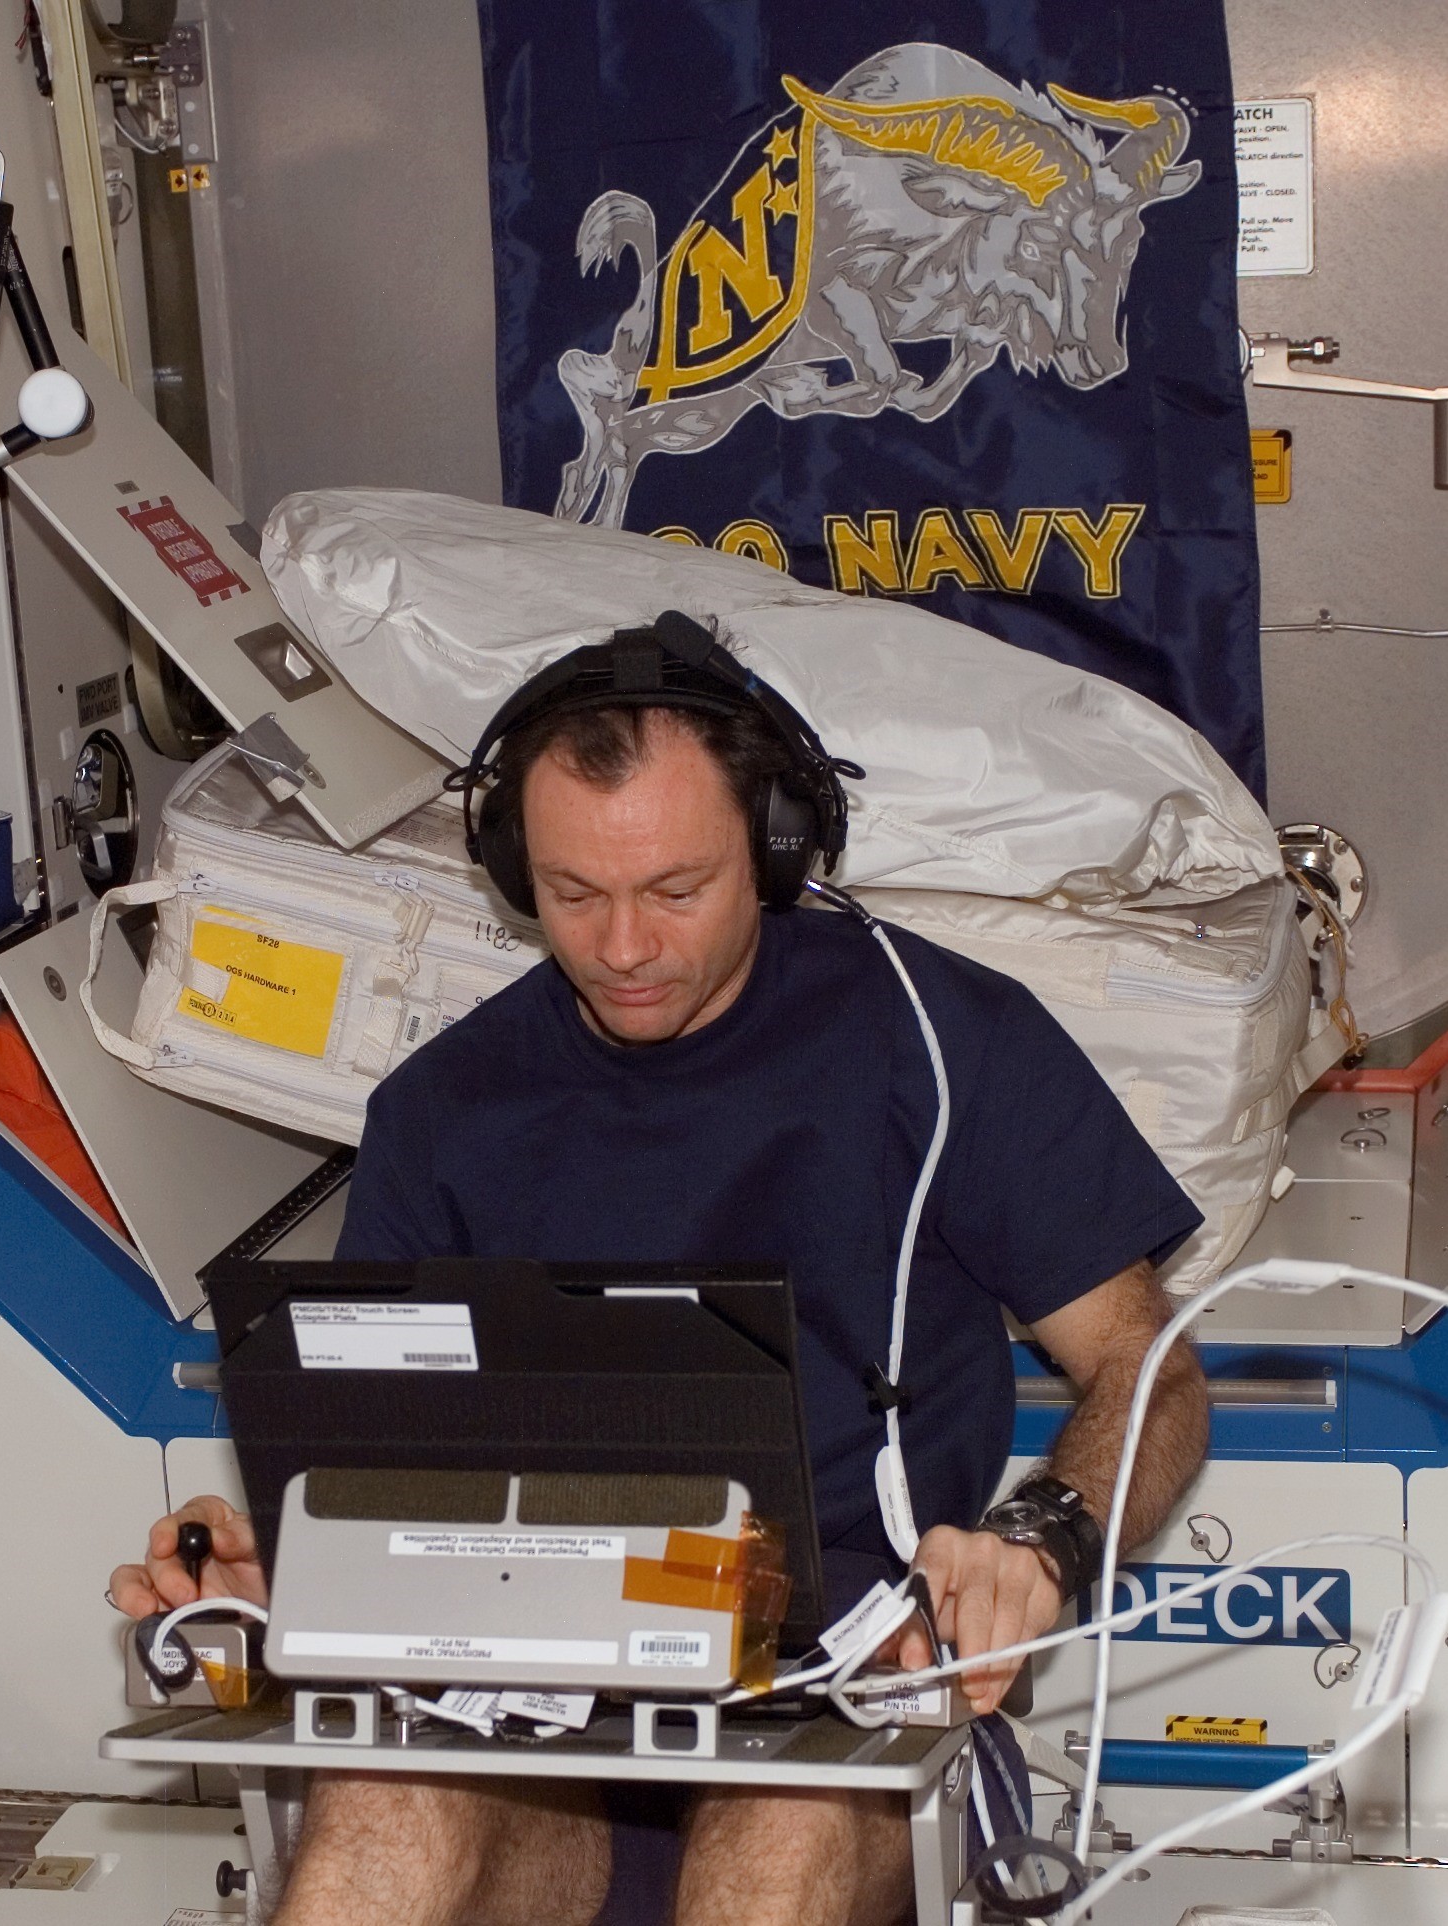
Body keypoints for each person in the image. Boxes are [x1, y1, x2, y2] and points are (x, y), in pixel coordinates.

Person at [112, 620, 1209, 1926]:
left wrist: (1043, 1537)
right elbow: (388, 1482)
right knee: (373, 1825)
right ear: (517, 870)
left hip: (837, 1691)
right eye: (575, 894)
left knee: (771, 1857)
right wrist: (290, 1585)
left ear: (777, 847)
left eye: (675, 889)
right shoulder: (444, 1110)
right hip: (531, 1715)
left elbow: (1151, 1369)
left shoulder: (939, 1041)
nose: (623, 945)